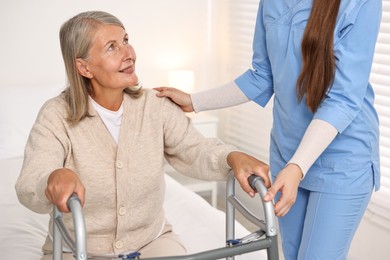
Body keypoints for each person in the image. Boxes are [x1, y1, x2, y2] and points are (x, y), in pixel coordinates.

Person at [15, 11, 270, 259]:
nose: (128, 54)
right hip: (77, 246)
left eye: (126, 40)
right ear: (84, 68)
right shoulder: (56, 114)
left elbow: (196, 150)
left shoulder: (155, 105)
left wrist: (232, 157)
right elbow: (30, 181)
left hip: (151, 242)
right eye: (112, 47)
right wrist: (52, 179)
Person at [155, 0, 382, 259]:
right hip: (288, 153)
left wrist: (298, 167)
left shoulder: (361, 4)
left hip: (342, 160)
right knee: (293, 254)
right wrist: (194, 101)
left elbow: (343, 100)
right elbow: (261, 75)